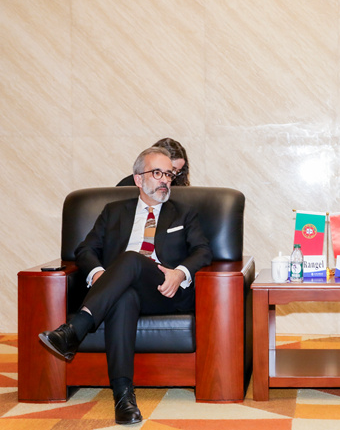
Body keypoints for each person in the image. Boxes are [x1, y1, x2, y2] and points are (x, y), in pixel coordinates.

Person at [39, 147, 211, 425]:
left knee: (131, 259)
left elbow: (203, 251)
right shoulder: (114, 211)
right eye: (157, 173)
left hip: (163, 291)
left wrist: (179, 274)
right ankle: (123, 398)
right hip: (119, 289)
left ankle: (77, 327)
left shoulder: (184, 213)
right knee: (123, 298)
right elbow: (85, 250)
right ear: (138, 179)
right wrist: (98, 274)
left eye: (169, 174)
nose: (165, 180)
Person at [117, 138, 190, 186]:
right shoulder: (126, 186)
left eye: (178, 171)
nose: (174, 175)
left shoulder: (176, 187)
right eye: (172, 169)